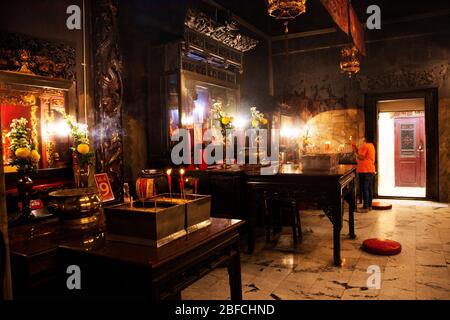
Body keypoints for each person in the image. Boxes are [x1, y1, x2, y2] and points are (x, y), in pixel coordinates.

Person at [352, 135, 376, 213]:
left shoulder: (365, 145)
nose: (362, 139)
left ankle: (365, 207)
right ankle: (369, 206)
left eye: (363, 137)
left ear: (366, 138)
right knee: (369, 188)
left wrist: (356, 154)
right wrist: (354, 147)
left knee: (365, 188)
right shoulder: (371, 145)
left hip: (364, 170)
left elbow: (361, 157)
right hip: (370, 169)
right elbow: (360, 152)